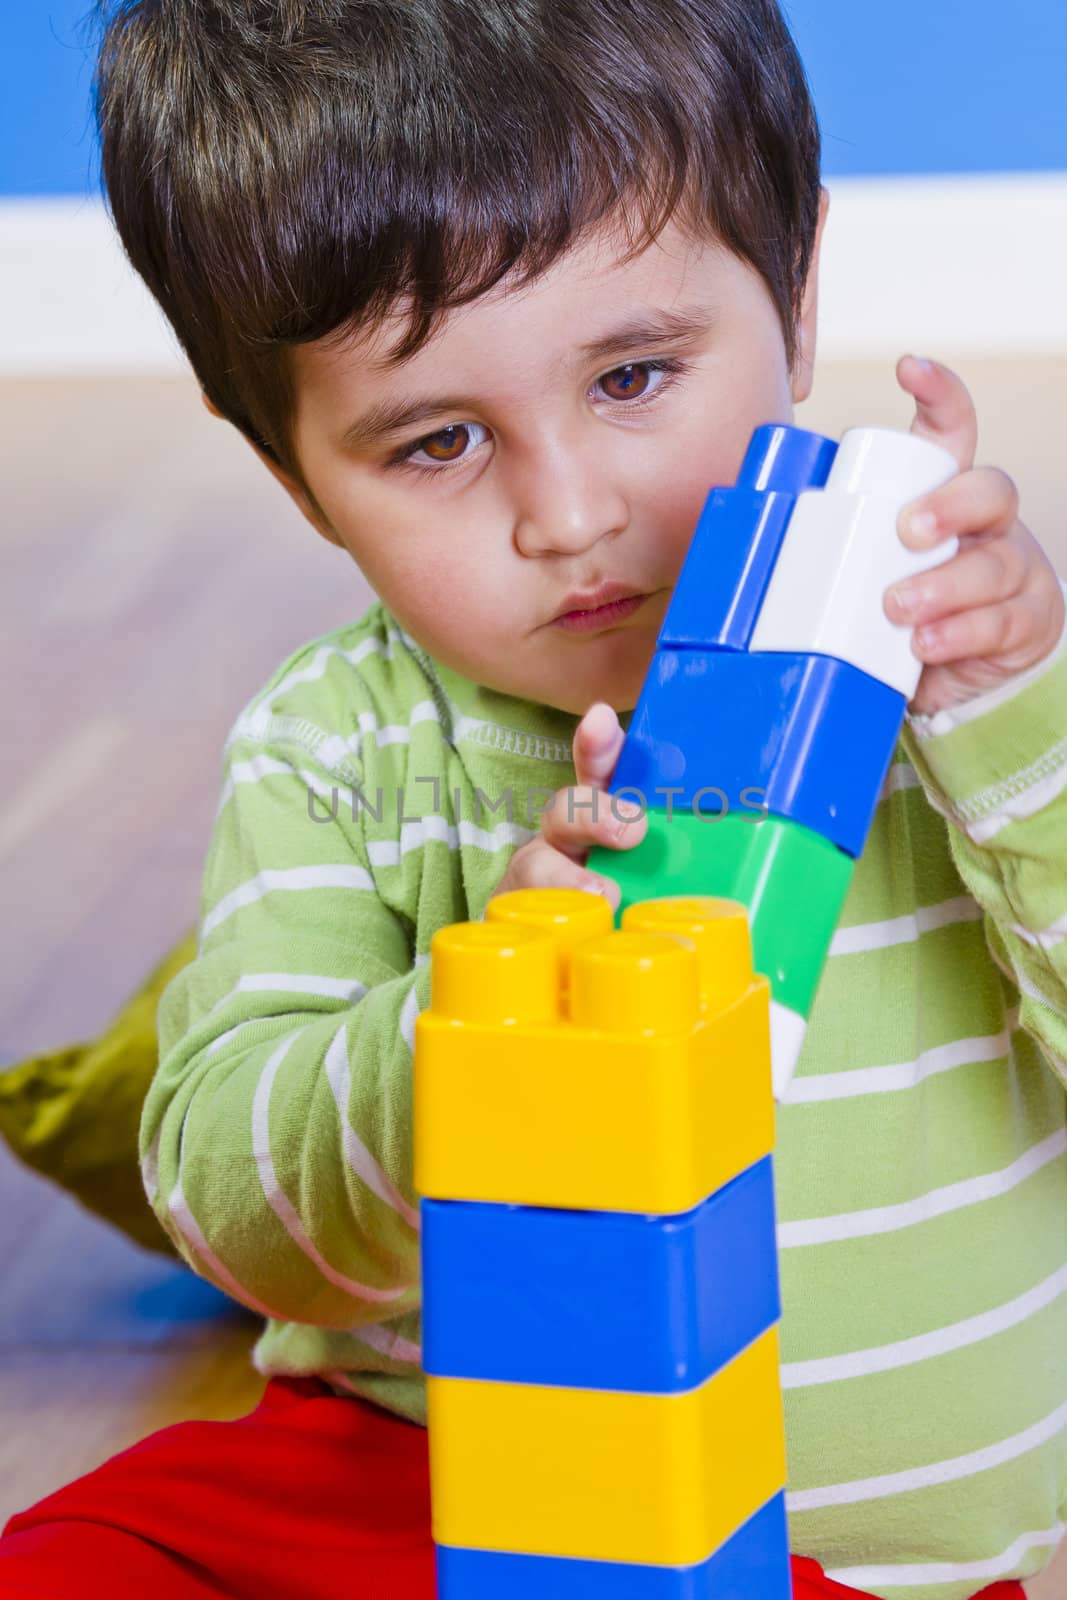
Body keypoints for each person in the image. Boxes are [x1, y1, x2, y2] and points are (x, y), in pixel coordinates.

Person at [3, 1, 1065, 1596]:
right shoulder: (335, 741)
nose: (567, 515)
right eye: (435, 441)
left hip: (874, 1559)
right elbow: (229, 1195)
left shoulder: (959, 681)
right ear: (288, 469)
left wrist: (1008, 722)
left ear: (797, 287)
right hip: (450, 1472)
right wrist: (473, 1040)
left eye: (636, 374)